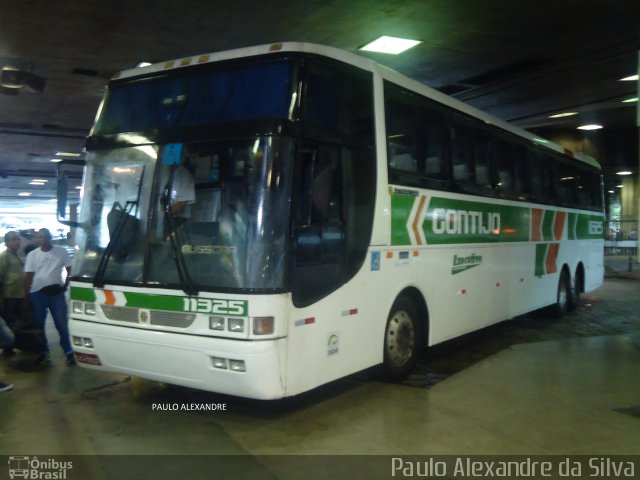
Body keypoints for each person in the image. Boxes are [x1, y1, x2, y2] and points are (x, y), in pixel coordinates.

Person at [24, 228, 74, 365]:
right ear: (37, 239)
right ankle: (43, 351)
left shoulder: (61, 252)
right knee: (39, 325)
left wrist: (65, 285)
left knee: (62, 324)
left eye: (45, 237)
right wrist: (27, 295)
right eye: (40, 237)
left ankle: (69, 352)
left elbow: (70, 269)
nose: (43, 239)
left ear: (50, 237)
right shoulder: (33, 255)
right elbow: (29, 276)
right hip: (37, 293)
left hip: (56, 293)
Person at [0, 231, 27, 357]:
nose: (17, 242)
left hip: (21, 294)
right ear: (7, 242)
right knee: (9, 320)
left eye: (18, 239)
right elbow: (1, 277)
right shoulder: (4, 256)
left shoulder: (21, 255)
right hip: (9, 295)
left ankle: (18, 344)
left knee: (19, 320)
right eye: (14, 239)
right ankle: (7, 347)